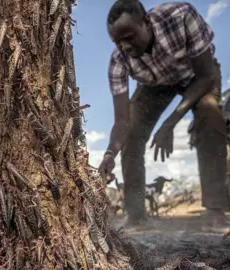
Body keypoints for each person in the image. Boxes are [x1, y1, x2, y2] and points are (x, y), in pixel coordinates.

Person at [98, 0, 229, 227]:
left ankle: (215, 209)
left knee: (209, 114)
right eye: (118, 42)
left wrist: (170, 123)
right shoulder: (118, 62)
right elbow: (122, 121)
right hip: (154, 85)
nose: (125, 47)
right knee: (132, 135)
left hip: (197, 75)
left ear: (146, 22)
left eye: (129, 37)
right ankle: (136, 215)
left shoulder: (179, 15)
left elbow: (207, 76)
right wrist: (110, 153)